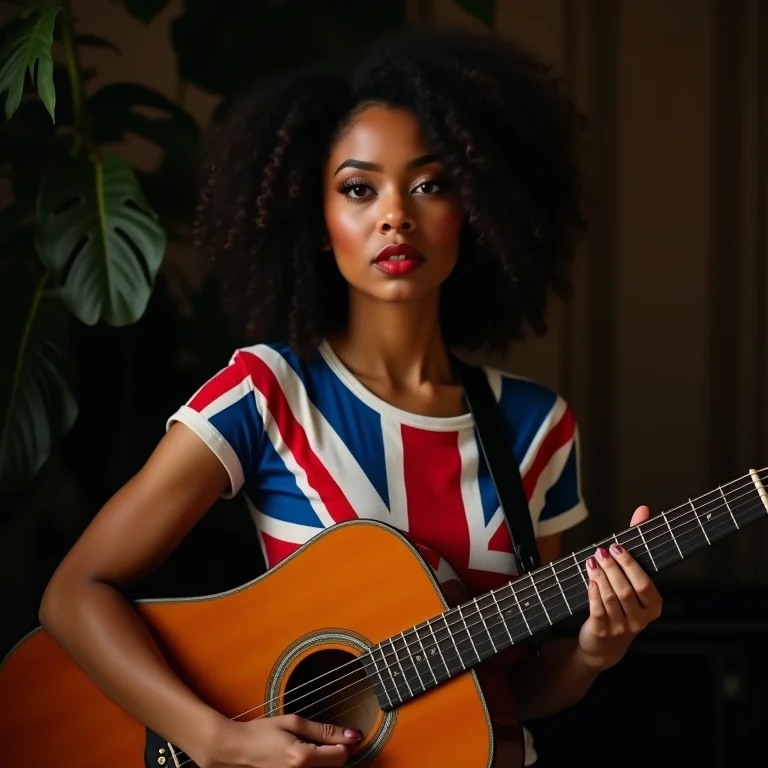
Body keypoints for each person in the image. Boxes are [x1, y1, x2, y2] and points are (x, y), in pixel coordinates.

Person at [38, 26, 663, 768]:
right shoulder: (267, 394)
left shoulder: (535, 429)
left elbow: (505, 694)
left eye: (430, 184)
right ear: (317, 218)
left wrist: (595, 650)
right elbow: (75, 593)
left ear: (479, 206)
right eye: (359, 189)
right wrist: (217, 740)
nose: (395, 214)